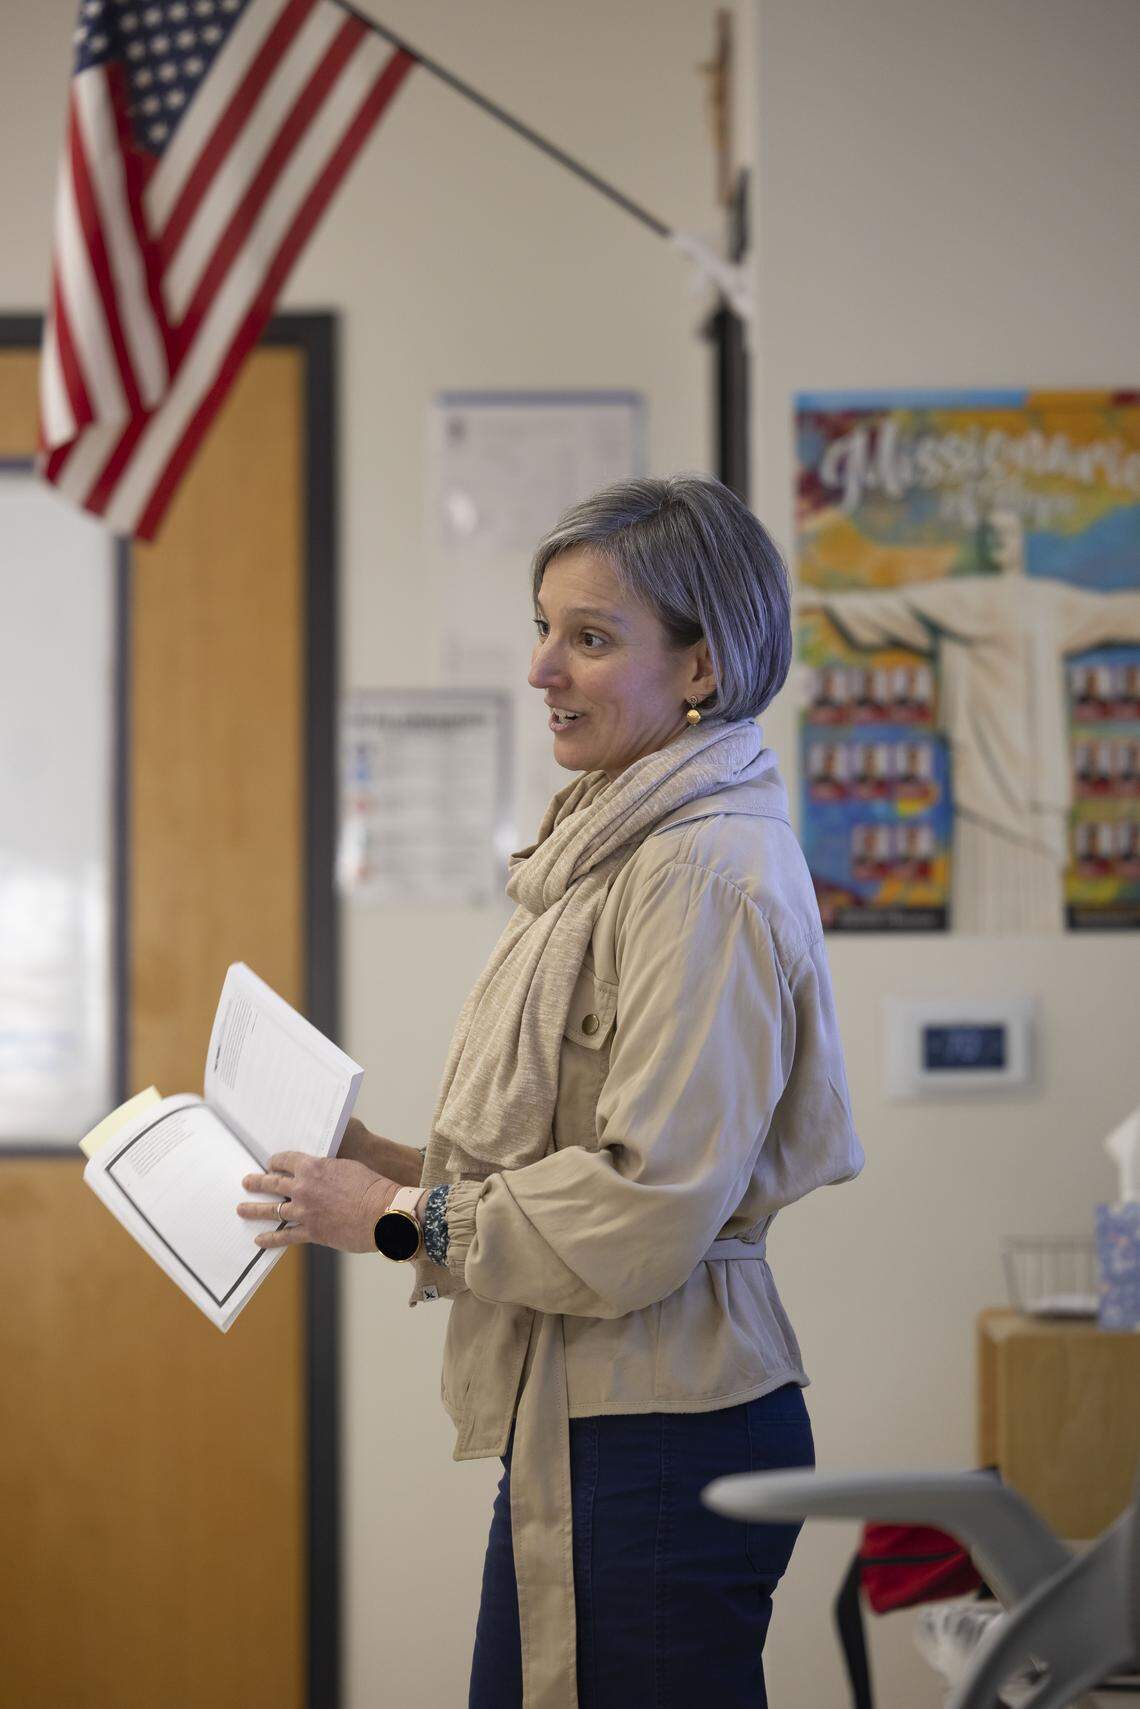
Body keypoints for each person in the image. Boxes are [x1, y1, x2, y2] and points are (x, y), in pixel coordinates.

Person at [237, 474, 864, 1709]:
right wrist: (377, 1163)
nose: (541, 670)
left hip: (660, 1431)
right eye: (543, 627)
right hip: (593, 1416)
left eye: (589, 637)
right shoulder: (614, 847)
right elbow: (582, 1153)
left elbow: (649, 1204)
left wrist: (399, 1214)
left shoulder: (702, 871)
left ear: (702, 667)